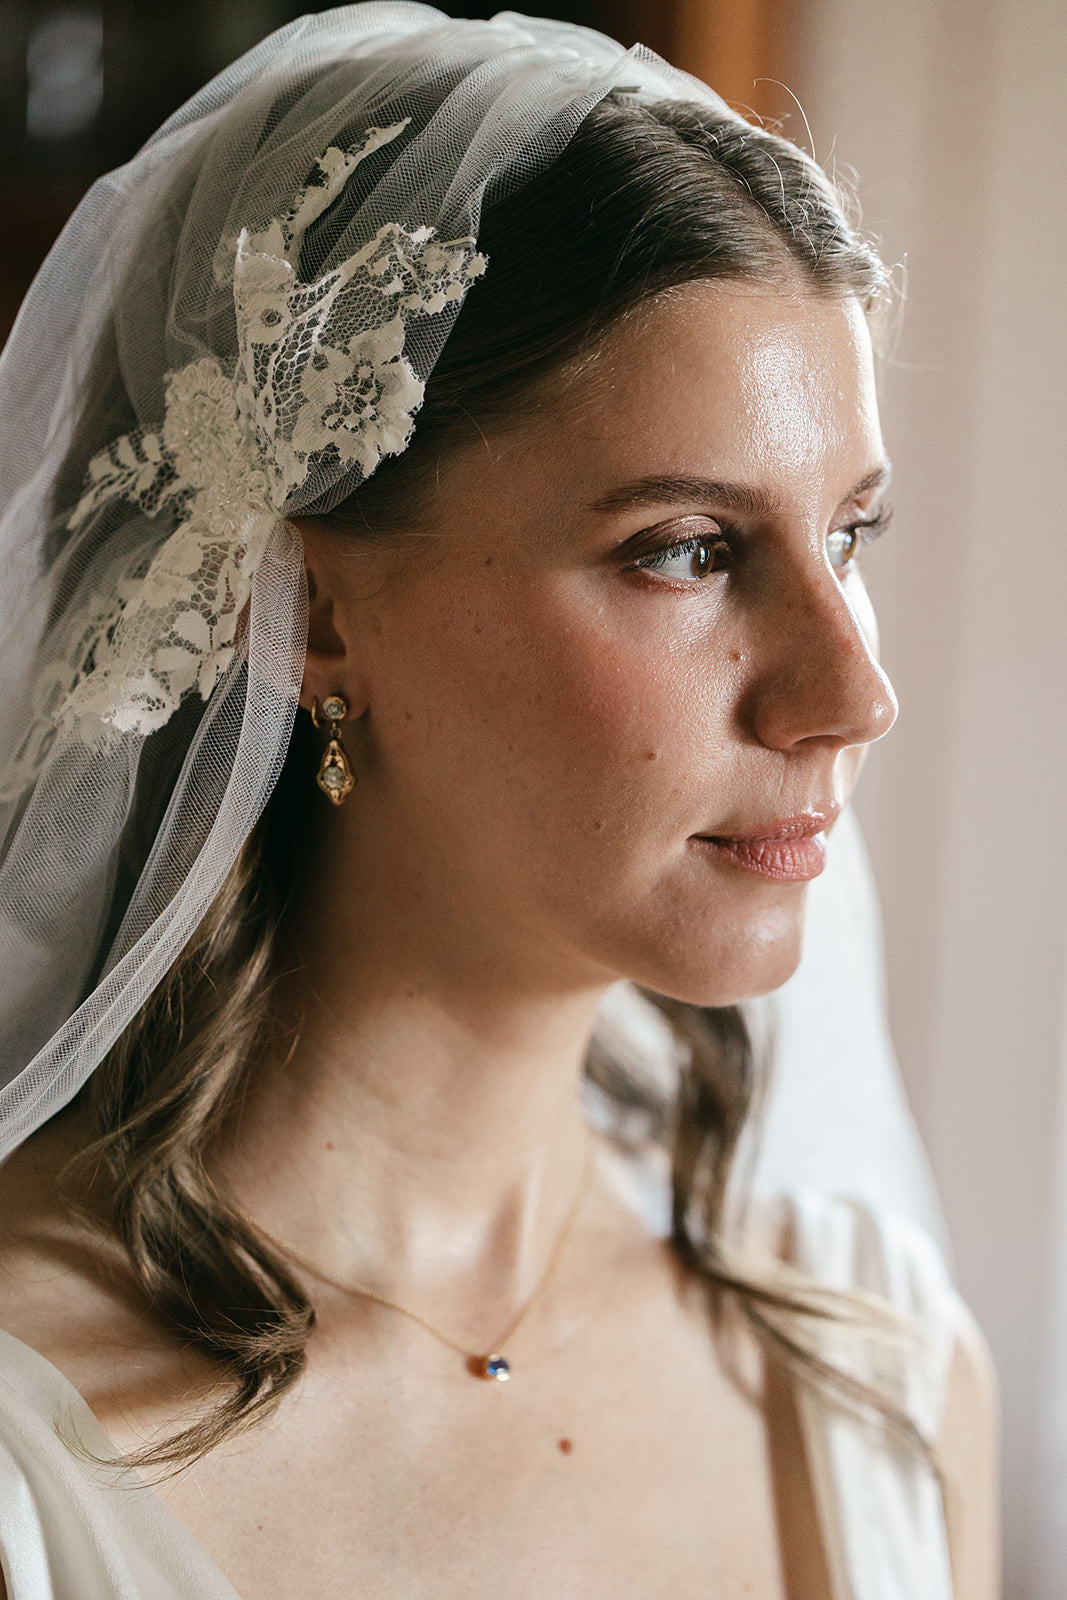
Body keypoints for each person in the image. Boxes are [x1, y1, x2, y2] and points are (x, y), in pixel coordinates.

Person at [0, 6, 999, 1596]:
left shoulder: (880, 1390)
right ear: (315, 617)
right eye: (686, 546)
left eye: (852, 538)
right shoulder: (29, 1454)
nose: (852, 697)